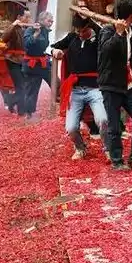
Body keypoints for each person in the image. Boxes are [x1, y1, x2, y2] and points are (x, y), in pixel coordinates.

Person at [98, 0, 132, 171]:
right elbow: (105, 53)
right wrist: (118, 34)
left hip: (129, 86)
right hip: (111, 86)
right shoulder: (107, 31)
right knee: (114, 125)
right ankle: (116, 160)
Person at [51, 13, 109, 160]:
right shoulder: (71, 38)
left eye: (83, 31)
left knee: (102, 120)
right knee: (70, 128)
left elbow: (103, 32)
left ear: (89, 28)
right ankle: (80, 148)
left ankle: (109, 149)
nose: (80, 34)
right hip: (75, 91)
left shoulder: (99, 40)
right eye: (78, 31)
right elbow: (53, 47)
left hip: (95, 89)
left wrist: (89, 18)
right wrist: (55, 51)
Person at [22, 11, 54, 119]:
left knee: (55, 82)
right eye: (49, 21)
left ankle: (61, 105)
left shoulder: (45, 31)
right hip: (32, 65)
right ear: (42, 20)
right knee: (32, 89)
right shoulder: (31, 29)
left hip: (42, 63)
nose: (51, 23)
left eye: (52, 21)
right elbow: (26, 45)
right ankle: (28, 113)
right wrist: (35, 34)